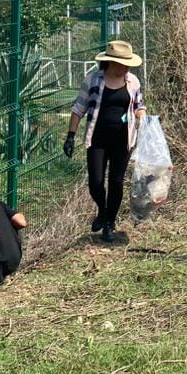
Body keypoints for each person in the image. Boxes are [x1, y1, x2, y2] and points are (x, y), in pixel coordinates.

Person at [64, 40, 146, 243]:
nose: (126, 67)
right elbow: (78, 108)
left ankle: (109, 223)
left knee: (116, 182)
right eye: (122, 63)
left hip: (123, 140)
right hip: (97, 139)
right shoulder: (93, 80)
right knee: (96, 182)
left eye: (128, 64)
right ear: (110, 62)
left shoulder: (133, 81)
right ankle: (102, 209)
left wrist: (143, 119)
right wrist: (70, 136)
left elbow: (139, 105)